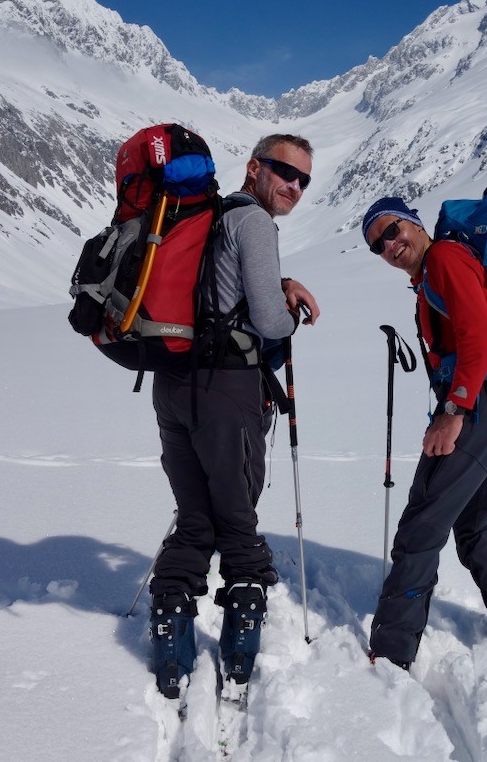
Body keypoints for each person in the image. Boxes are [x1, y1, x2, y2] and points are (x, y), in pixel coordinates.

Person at [148, 133, 320, 700]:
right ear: (255, 168)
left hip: (173, 384)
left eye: (303, 180)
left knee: (196, 514)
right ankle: (240, 646)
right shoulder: (254, 224)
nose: (293, 186)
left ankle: (172, 641)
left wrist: (278, 282)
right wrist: (289, 310)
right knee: (238, 516)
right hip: (227, 390)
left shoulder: (207, 219)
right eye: (284, 172)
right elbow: (269, 321)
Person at [360, 195, 487, 681]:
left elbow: (478, 335)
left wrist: (455, 411)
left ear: (414, 224)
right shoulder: (432, 274)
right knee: (471, 528)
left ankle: (391, 653)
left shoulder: (445, 257)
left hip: (479, 403)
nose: (388, 245)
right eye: (376, 245)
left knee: (422, 526)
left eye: (391, 231)